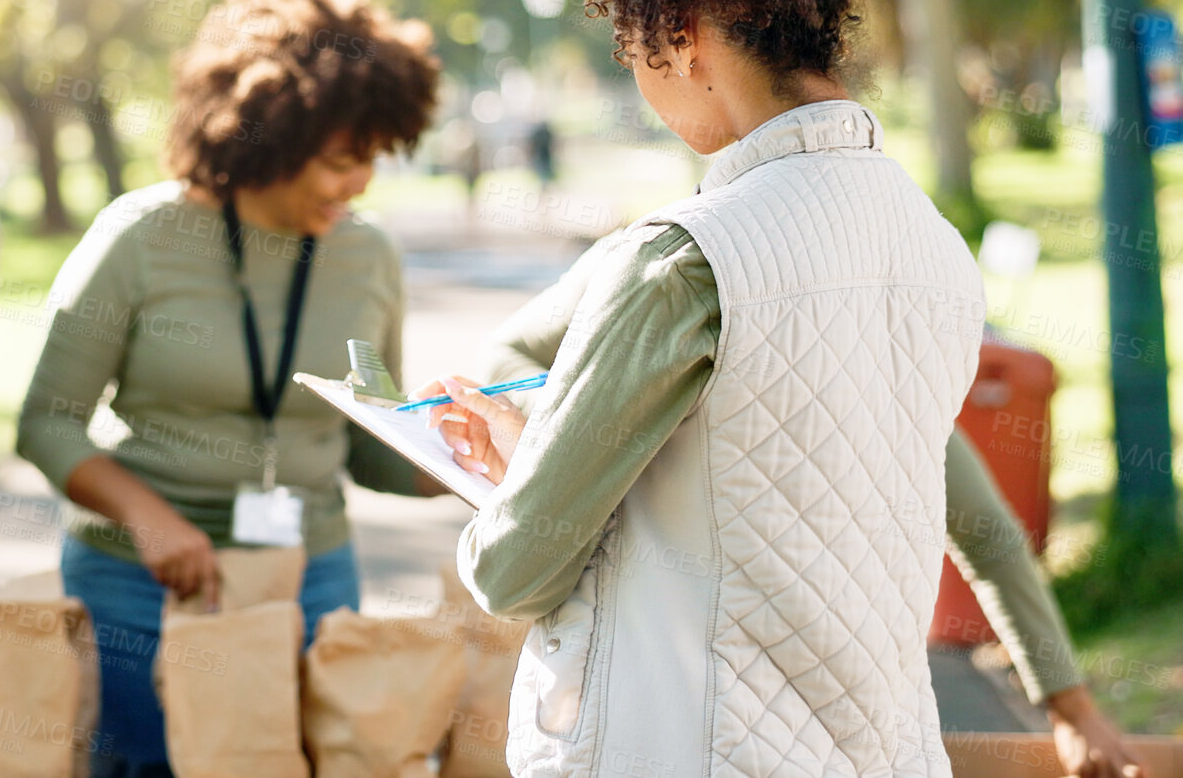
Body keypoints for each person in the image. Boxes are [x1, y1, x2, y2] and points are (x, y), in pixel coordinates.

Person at [420, 0, 994, 773]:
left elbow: (514, 569)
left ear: (680, 33)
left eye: (628, 39)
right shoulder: (931, 241)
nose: (633, 67)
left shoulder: (684, 262)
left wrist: (515, 465)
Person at [463, 234, 1148, 778]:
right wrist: (573, 441)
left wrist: (1072, 705)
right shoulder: (668, 264)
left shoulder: (873, 331)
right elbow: (505, 358)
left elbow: (986, 531)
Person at [16, 0, 442, 778]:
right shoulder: (140, 236)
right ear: (273, 130)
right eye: (336, 157)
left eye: (372, 157)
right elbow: (45, 421)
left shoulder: (368, 256)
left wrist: (448, 454)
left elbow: (366, 447)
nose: (355, 182)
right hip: (141, 588)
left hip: (309, 579)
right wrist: (149, 518)